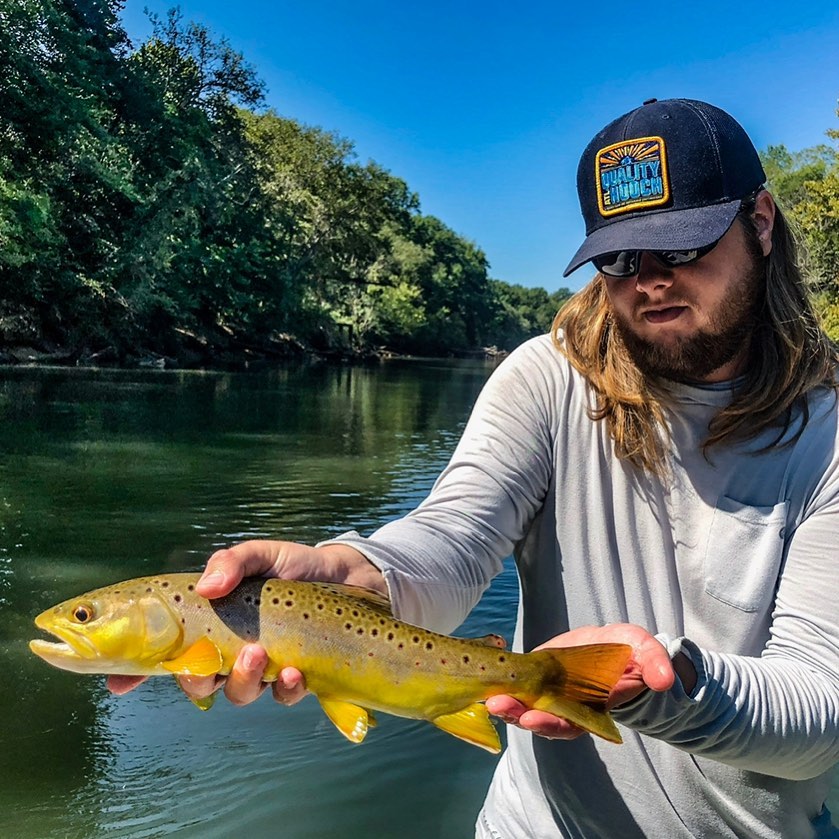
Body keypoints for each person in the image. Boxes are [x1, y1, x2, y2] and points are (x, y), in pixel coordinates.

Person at [110, 98, 839, 838]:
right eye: (617, 259)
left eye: (680, 247)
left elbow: (821, 711)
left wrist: (666, 687)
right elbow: (456, 533)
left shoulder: (830, 432)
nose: (648, 281)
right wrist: (359, 573)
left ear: (760, 221)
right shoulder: (547, 377)